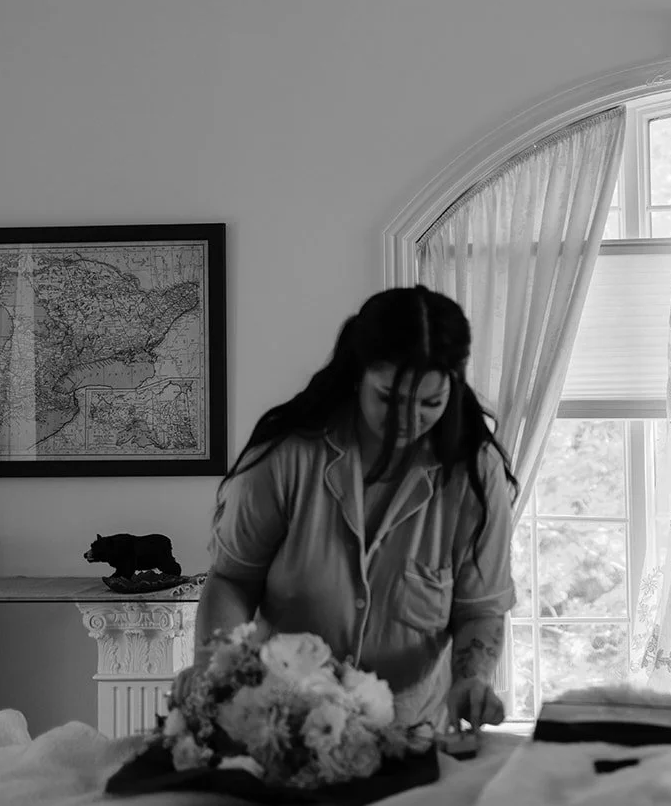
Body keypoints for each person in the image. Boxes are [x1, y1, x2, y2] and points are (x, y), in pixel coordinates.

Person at [187, 285, 518, 734]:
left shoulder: (475, 474)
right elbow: (231, 579)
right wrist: (216, 673)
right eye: (389, 398)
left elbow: (478, 607)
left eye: (430, 404)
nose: (408, 420)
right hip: (284, 725)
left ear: (454, 387)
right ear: (358, 374)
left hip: (411, 733)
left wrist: (471, 678)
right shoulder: (285, 457)